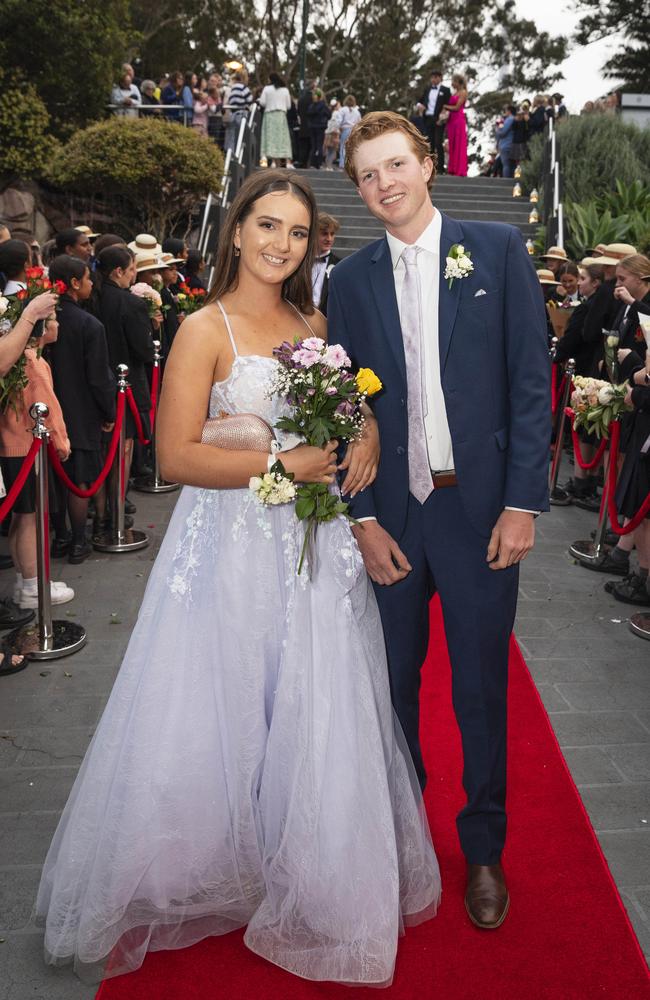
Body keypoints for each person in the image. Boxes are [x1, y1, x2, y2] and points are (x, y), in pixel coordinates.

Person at [35, 168, 441, 986]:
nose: (279, 245)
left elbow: (345, 399)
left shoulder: (312, 319)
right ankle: (211, 856)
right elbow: (178, 455)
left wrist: (360, 430)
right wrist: (282, 464)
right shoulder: (202, 327)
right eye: (266, 226)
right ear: (238, 230)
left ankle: (307, 859)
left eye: (296, 232)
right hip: (226, 543)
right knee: (218, 702)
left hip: (313, 548)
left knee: (311, 698)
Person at [328, 111, 550, 930]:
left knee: (480, 692)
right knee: (387, 687)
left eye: (396, 166)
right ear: (358, 189)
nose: (384, 184)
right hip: (392, 518)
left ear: (428, 165)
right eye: (367, 175)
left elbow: (531, 386)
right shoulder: (347, 282)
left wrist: (523, 504)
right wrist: (359, 518)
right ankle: (400, 835)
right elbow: (341, 404)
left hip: (481, 510)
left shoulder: (495, 250)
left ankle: (483, 850)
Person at [0, 312, 73, 610]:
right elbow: (48, 408)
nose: (57, 324)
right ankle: (32, 585)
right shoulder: (33, 360)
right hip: (27, 444)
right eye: (53, 319)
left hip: (10, 446)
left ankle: (25, 580)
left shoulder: (19, 357)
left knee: (21, 515)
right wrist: (62, 442)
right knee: (29, 517)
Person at [47, 256, 117, 564]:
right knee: (79, 478)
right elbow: (99, 378)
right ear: (74, 284)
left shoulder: (42, 320)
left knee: (55, 478)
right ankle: (78, 540)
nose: (91, 284)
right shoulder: (90, 325)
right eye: (88, 278)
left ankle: (60, 537)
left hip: (48, 409)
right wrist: (110, 412)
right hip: (81, 412)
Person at [417, 69, 451, 173]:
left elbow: (448, 104)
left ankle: (440, 168)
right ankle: (430, 167)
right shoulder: (427, 89)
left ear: (440, 78)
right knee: (429, 143)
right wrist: (420, 106)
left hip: (439, 120)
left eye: (436, 77)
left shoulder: (445, 90)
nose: (434, 79)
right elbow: (419, 101)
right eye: (432, 77)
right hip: (428, 119)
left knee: (438, 142)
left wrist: (443, 117)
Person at [259, 73, 294, 168]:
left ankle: (273, 161)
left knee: (270, 137)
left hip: (269, 114)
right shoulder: (285, 90)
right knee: (282, 138)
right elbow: (289, 106)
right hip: (281, 115)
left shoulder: (267, 89)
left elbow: (262, 102)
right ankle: (287, 161)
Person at [311, 212, 341, 314]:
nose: (329, 239)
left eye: (332, 234)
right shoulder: (300, 262)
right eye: (324, 234)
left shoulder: (340, 266)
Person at [442, 73, 468, 177]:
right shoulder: (455, 93)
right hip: (451, 121)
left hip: (458, 120)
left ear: (458, 82)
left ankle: (459, 169)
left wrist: (444, 106)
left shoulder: (463, 92)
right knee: (452, 144)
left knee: (458, 144)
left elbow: (457, 107)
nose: (452, 84)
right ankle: (452, 168)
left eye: (453, 81)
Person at [224, 70, 253, 154]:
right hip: (241, 114)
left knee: (232, 137)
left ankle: (231, 154)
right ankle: (241, 154)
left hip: (233, 114)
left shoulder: (233, 87)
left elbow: (230, 100)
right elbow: (249, 99)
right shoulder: (243, 87)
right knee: (243, 136)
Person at [306, 87, 330, 169]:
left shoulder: (311, 106)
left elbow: (308, 114)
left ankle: (312, 163)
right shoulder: (323, 106)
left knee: (314, 146)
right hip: (321, 126)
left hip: (312, 127)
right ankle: (319, 163)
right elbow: (329, 115)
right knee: (319, 145)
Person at [338, 95, 361, 169]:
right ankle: (351, 165)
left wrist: (338, 128)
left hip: (345, 129)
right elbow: (359, 122)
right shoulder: (357, 111)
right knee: (351, 148)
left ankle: (342, 164)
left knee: (343, 147)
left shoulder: (342, 109)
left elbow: (338, 120)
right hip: (353, 130)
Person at [496, 105, 517, 178]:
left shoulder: (510, 119)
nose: (505, 112)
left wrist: (498, 129)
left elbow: (503, 132)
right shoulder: (511, 119)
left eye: (506, 111)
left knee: (506, 164)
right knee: (511, 165)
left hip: (506, 145)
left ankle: (506, 181)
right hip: (509, 144)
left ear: (509, 111)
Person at [323, 98, 341, 170]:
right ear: (336, 106)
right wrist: (335, 131)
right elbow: (335, 123)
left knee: (329, 150)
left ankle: (328, 165)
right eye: (339, 105)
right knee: (332, 151)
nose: (340, 106)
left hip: (328, 133)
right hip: (334, 133)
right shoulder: (336, 113)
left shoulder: (330, 112)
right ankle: (329, 166)